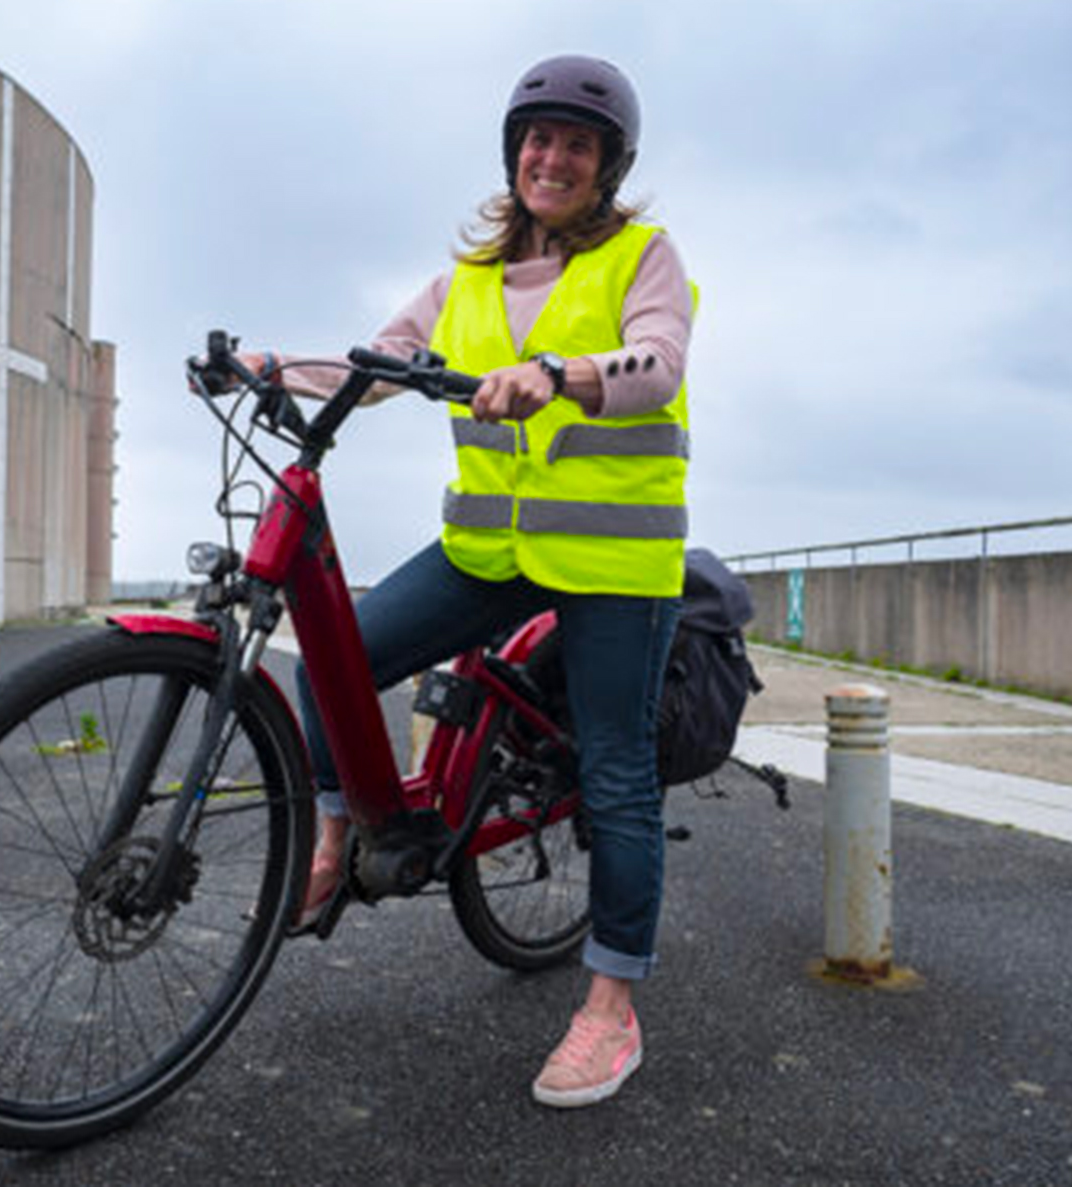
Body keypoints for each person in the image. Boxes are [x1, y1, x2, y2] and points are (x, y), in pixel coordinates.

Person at [241, 55, 694, 1109]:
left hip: (617, 562)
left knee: (619, 769)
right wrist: (272, 368)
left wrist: (558, 376)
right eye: (539, 139)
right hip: (491, 552)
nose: (553, 158)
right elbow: (374, 359)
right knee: (335, 653)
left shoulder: (643, 256)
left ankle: (611, 1009)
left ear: (608, 164)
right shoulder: (467, 281)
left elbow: (659, 363)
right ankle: (340, 828)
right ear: (514, 152)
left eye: (578, 145)